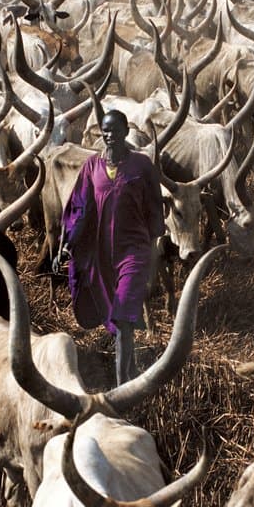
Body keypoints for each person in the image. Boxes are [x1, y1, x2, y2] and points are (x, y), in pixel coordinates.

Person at [56, 110, 165, 385]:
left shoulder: (142, 166)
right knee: (116, 319)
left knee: (123, 318)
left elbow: (154, 210)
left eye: (115, 130)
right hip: (103, 252)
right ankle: (129, 370)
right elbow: (78, 207)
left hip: (134, 251)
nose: (109, 135)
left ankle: (122, 386)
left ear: (126, 132)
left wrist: (154, 254)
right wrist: (66, 244)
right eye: (105, 130)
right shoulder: (92, 167)